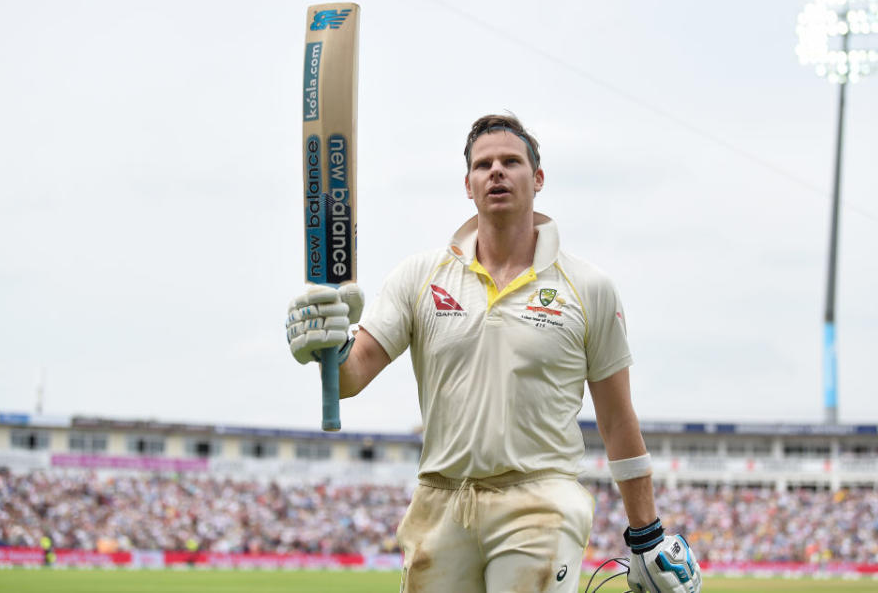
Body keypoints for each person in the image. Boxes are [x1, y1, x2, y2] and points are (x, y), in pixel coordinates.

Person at [286, 114, 701, 593]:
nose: (496, 172)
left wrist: (646, 533)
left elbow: (616, 418)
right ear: (468, 184)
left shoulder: (588, 287)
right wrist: (328, 346)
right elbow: (354, 374)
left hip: (542, 499)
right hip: (440, 502)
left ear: (538, 178)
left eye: (511, 161)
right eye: (483, 165)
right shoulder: (420, 276)